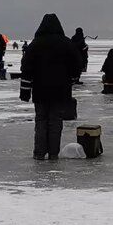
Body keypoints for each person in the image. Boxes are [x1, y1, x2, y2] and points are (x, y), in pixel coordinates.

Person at [20, 13, 82, 159]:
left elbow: (26, 68)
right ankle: (54, 153)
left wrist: (25, 91)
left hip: (40, 91)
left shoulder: (35, 44)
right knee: (55, 121)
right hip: (61, 91)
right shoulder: (67, 43)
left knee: (41, 120)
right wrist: (71, 80)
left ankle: (39, 153)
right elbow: (77, 65)